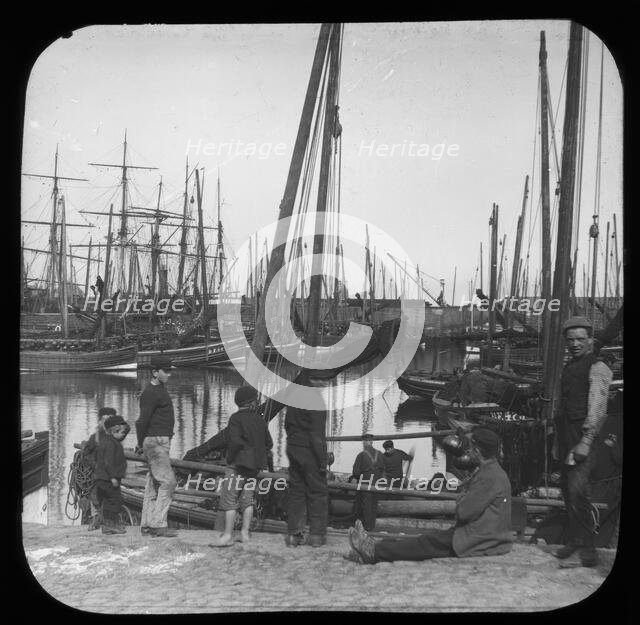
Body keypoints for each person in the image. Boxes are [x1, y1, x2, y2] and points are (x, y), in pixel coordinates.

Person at [347, 428, 513, 564]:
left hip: (479, 540)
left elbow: (463, 512)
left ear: (477, 450)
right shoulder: (495, 472)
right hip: (485, 535)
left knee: (425, 543)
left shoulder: (487, 477)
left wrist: (463, 495)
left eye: (471, 448)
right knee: (428, 539)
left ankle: (374, 551)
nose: (468, 451)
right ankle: (376, 546)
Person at [551, 316, 612, 567]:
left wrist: (585, 441)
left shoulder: (598, 368)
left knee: (578, 490)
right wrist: (558, 442)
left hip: (583, 437)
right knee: (567, 489)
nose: (575, 344)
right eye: (570, 340)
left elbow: (597, 407)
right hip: (567, 435)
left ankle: (588, 547)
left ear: (590, 340)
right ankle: (576, 539)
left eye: (580, 339)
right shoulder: (570, 366)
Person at [210, 386, 273, 547]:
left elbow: (235, 442)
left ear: (238, 403)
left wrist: (230, 458)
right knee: (248, 499)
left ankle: (227, 535)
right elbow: (269, 443)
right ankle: (245, 534)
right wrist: (257, 456)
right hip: (254, 468)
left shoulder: (235, 419)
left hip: (237, 465)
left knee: (229, 500)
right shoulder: (260, 420)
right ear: (253, 402)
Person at [284, 369, 332, 548]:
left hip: (293, 448)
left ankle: (293, 535)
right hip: (310, 452)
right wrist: (322, 461)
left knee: (297, 492)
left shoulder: (294, 396)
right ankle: (317, 536)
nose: (324, 384)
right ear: (311, 380)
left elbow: (287, 425)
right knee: (318, 493)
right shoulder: (315, 400)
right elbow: (317, 435)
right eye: (320, 380)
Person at [135, 355, 178, 538]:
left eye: (169, 371)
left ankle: (146, 523)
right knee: (168, 482)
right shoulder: (151, 393)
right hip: (156, 441)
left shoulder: (158, 390)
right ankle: (159, 524)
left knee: (153, 483)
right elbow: (141, 422)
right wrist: (140, 442)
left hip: (157, 440)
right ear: (154, 372)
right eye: (165, 371)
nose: (169, 374)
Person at [81, 407, 117, 530]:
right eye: (105, 420)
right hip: (98, 473)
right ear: (100, 422)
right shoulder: (95, 438)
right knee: (96, 496)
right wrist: (94, 465)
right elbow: (85, 454)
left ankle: (109, 521)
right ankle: (96, 519)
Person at [94, 415, 130, 535]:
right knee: (115, 501)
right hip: (108, 479)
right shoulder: (111, 444)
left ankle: (108, 525)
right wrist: (113, 477)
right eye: (122, 433)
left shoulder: (107, 441)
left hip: (102, 478)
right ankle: (110, 526)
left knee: (109, 501)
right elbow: (108, 462)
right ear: (113, 431)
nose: (124, 436)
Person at [350, 434, 384, 531]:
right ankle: (372, 526)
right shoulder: (380, 454)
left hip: (366, 482)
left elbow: (355, 472)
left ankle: (367, 527)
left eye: (363, 442)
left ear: (364, 442)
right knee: (374, 504)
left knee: (366, 505)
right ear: (372, 442)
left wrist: (357, 477)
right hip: (377, 482)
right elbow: (383, 469)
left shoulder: (361, 455)